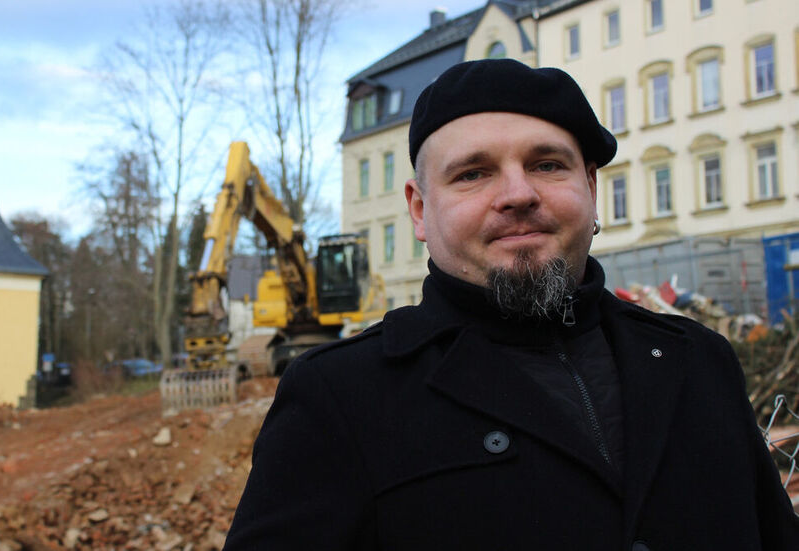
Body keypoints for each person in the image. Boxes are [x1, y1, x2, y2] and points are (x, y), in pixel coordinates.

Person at [223, 59, 799, 550]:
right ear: (420, 211)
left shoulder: (700, 361)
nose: (518, 194)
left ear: (592, 190)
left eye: (547, 164)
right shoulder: (340, 399)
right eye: (473, 174)